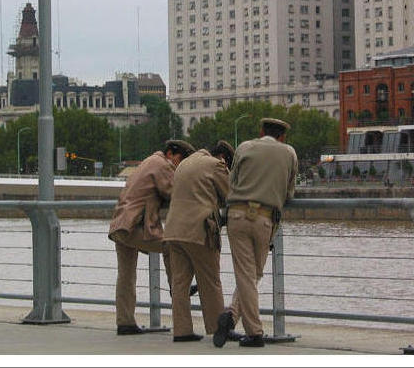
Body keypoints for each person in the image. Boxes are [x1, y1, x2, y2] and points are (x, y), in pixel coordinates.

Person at [214, 118, 298, 349]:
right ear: (282, 137)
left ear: (261, 132)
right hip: (265, 219)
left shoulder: (244, 147)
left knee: (246, 275)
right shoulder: (289, 153)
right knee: (254, 274)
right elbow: (290, 192)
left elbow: (232, 182)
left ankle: (231, 317)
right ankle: (254, 332)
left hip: (237, 216)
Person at [108, 139, 196, 335]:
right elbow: (175, 192)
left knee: (126, 275)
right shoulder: (161, 164)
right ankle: (179, 288)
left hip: (120, 224)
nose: (179, 166)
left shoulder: (147, 162)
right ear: (172, 154)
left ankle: (125, 322)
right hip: (134, 226)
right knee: (171, 246)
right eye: (181, 161)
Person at [163, 140, 233, 342]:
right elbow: (230, 194)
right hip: (199, 231)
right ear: (223, 159)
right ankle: (218, 329)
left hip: (173, 230)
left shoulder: (185, 163)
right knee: (210, 280)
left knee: (179, 283)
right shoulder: (215, 165)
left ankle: (182, 331)